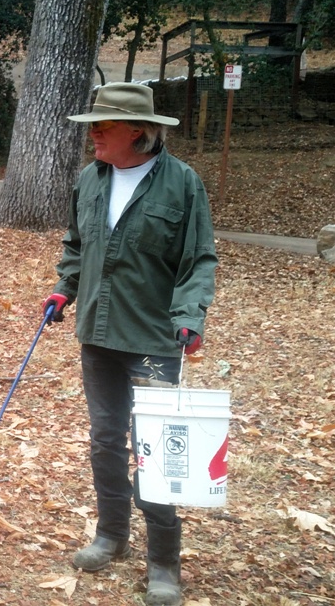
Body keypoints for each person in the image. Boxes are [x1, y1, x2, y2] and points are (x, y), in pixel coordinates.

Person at [42, 82, 217, 606]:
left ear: (137, 131)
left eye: (103, 125)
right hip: (97, 334)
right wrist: (63, 287)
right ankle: (111, 534)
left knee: (155, 449)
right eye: (91, 125)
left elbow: (198, 260)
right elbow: (75, 245)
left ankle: (163, 561)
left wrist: (190, 315)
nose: (92, 135)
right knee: (105, 438)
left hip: (151, 340)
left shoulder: (182, 184)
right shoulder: (89, 181)